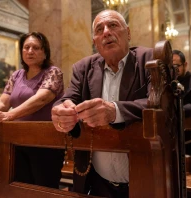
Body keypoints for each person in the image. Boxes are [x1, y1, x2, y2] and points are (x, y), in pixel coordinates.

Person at [51, 10, 153, 198]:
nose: (106, 32)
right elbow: (68, 98)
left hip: (145, 177)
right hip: (98, 180)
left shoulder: (149, 60)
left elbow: (159, 104)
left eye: (113, 25)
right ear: (95, 42)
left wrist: (115, 111)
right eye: (99, 29)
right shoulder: (83, 68)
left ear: (128, 33)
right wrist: (62, 110)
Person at [0, 32, 64, 189]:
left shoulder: (53, 72)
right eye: (26, 47)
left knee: (44, 188)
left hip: (45, 142)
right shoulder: (17, 75)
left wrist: (9, 115)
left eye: (36, 48)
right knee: (20, 187)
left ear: (45, 52)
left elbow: (41, 99)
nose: (30, 51)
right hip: (17, 140)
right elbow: (3, 102)